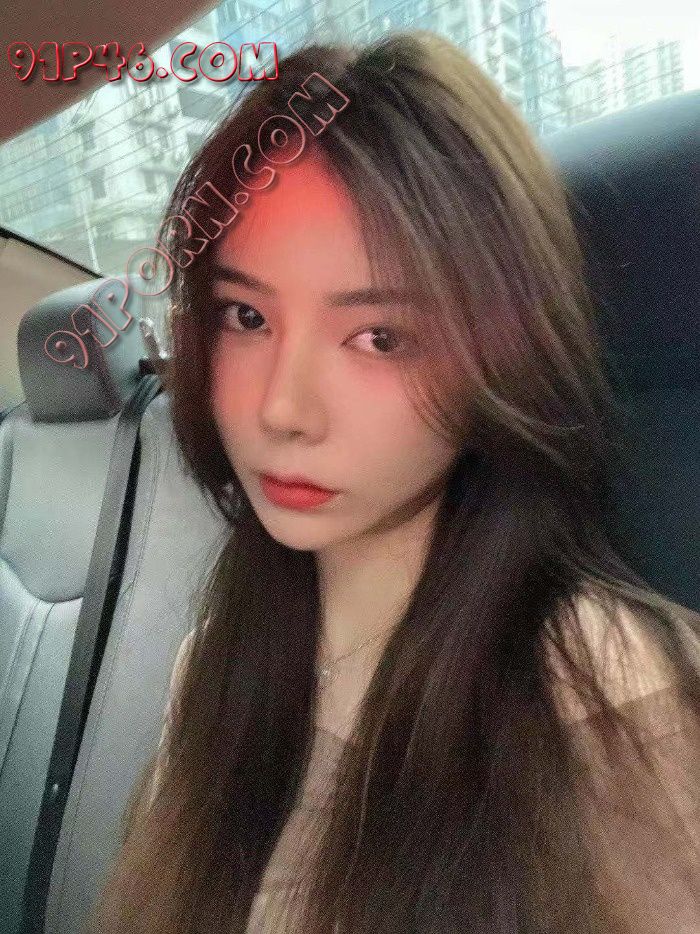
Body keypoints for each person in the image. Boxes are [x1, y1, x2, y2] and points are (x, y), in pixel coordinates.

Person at [87, 31, 700, 934]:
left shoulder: (604, 695)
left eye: (379, 337)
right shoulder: (217, 661)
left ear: (502, 355)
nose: (284, 409)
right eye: (246, 316)